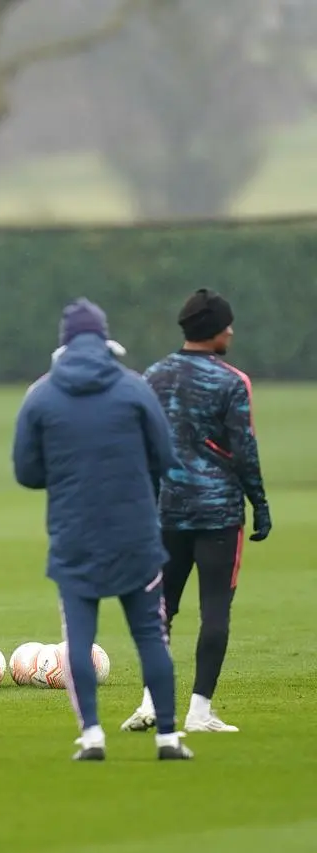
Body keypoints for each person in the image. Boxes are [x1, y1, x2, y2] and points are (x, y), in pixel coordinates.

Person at [14, 298, 193, 761]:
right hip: (135, 535)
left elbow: (27, 473)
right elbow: (166, 457)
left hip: (74, 535)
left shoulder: (42, 395)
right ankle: (169, 738)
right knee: (150, 637)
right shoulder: (134, 389)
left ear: (64, 343)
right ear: (105, 338)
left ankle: (92, 735)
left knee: (78, 639)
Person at [121, 288, 271, 735]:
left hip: (166, 510)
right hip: (219, 513)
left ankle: (150, 703)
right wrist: (259, 505)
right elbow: (244, 451)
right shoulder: (231, 381)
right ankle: (199, 712)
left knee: (161, 610)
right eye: (228, 325)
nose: (232, 331)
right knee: (216, 610)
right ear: (216, 331)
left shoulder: (153, 376)